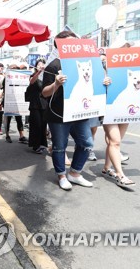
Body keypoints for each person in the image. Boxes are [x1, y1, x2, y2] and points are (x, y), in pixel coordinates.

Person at [41, 30, 95, 190]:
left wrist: (105, 81)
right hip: (58, 115)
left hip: (79, 112)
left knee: (86, 143)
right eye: (71, 42)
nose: (75, 45)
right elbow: (44, 93)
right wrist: (56, 84)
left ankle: (75, 173)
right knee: (59, 146)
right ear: (60, 44)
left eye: (76, 41)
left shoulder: (86, 63)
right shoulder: (54, 65)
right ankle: (62, 175)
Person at [101, 41, 138, 187]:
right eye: (125, 48)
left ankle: (106, 168)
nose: (127, 51)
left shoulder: (134, 67)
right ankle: (120, 175)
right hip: (109, 107)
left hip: (126, 107)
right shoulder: (103, 63)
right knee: (115, 141)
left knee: (114, 142)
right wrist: (103, 81)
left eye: (129, 49)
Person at [1, 64, 28, 144]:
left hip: (18, 101)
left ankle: (21, 136)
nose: (14, 70)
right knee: (7, 119)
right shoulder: (6, 78)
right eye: (12, 69)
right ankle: (7, 135)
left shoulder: (20, 77)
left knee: (19, 119)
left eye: (15, 69)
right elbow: (4, 88)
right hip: (8, 101)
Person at [26, 58, 48, 153]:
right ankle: (35, 145)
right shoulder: (33, 75)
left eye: (43, 64)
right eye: (39, 64)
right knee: (36, 125)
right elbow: (31, 81)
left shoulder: (46, 77)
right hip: (35, 104)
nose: (41, 66)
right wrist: (38, 72)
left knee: (43, 125)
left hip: (44, 104)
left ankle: (42, 144)